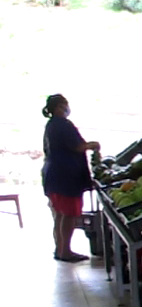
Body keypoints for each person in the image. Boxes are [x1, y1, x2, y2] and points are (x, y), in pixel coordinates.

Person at [41, 94, 98, 262]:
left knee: (59, 214)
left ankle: (60, 248)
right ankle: (65, 251)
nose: (67, 108)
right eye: (65, 105)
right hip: (66, 176)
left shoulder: (51, 125)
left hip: (54, 174)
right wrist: (92, 145)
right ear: (59, 107)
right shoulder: (63, 125)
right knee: (69, 215)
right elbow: (78, 146)